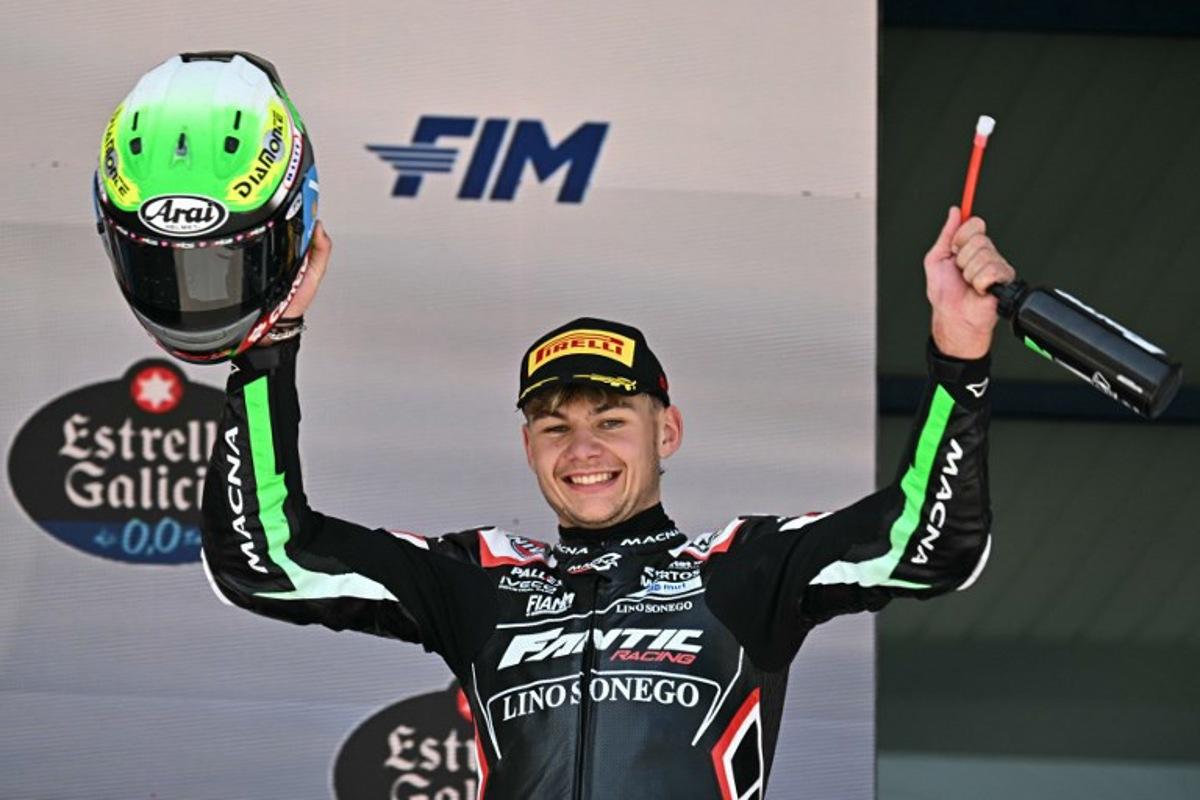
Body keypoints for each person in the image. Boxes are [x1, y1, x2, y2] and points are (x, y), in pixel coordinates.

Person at [200, 204, 1014, 799]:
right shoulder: (476, 579)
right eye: (554, 426)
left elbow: (924, 544)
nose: (582, 449)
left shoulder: (743, 568)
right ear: (528, 450)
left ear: (669, 433)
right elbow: (265, 559)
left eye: (613, 421)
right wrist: (267, 349)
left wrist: (960, 354)